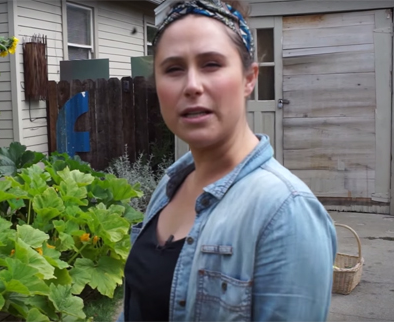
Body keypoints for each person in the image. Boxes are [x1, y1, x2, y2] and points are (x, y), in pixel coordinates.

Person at [117, 0, 338, 321]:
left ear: (250, 78)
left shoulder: (286, 212)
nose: (192, 85)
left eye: (211, 64)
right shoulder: (168, 187)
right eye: (174, 68)